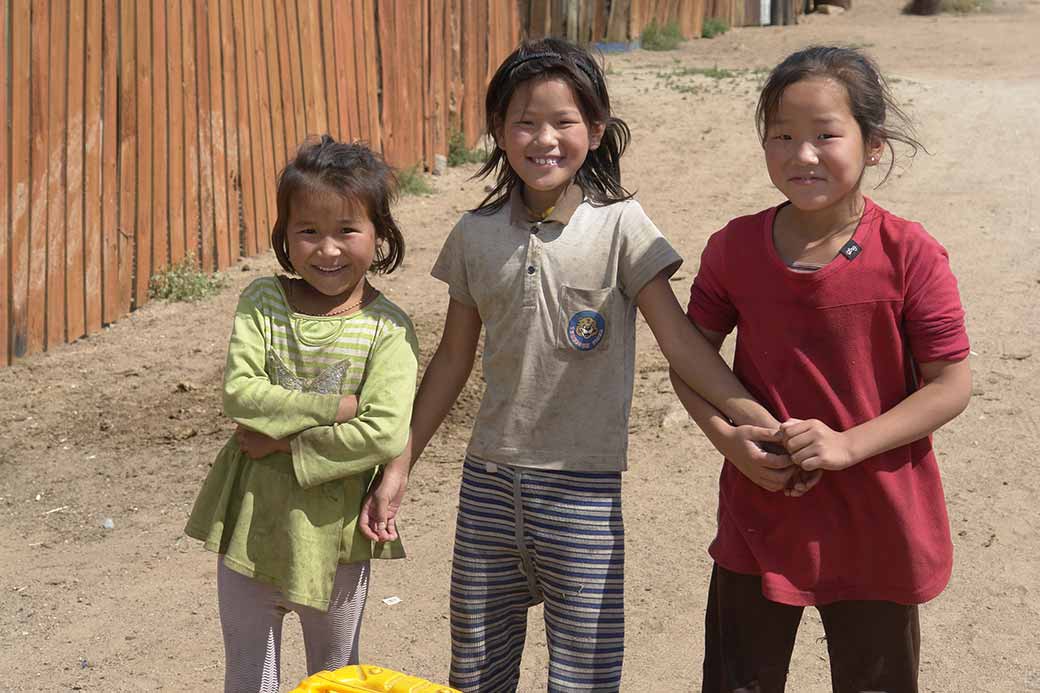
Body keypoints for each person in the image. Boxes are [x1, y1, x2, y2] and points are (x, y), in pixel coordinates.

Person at [360, 38, 783, 693]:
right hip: (489, 489)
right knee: (475, 672)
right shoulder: (475, 234)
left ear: (596, 128)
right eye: (525, 121)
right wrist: (398, 466)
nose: (544, 138)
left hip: (583, 492)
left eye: (564, 121)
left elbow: (679, 340)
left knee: (584, 676)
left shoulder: (622, 227)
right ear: (498, 130)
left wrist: (751, 413)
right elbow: (450, 358)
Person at [669, 46, 973, 692]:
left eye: (826, 135)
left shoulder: (909, 254)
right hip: (761, 510)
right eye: (782, 135)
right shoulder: (735, 248)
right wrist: (731, 440)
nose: (802, 154)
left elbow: (951, 383)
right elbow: (690, 362)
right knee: (737, 680)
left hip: (877, 518)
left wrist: (845, 444)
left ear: (873, 146)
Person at [184, 136, 418, 693]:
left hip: (335, 537)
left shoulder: (388, 328)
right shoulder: (262, 301)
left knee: (335, 679)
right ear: (284, 237)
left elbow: (384, 431)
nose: (327, 249)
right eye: (308, 231)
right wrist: (337, 407)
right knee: (248, 678)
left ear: (379, 235)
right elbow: (241, 394)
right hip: (250, 526)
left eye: (346, 231)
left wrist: (284, 442)